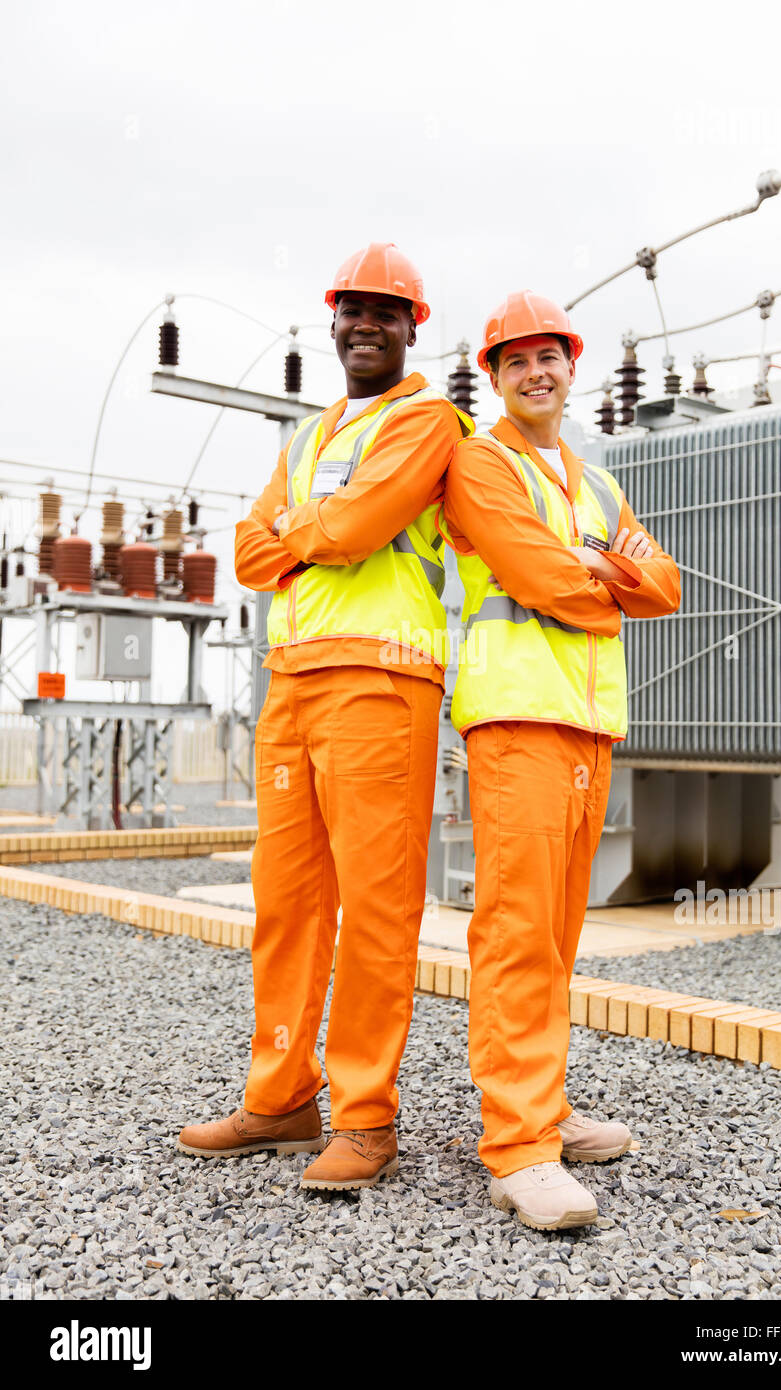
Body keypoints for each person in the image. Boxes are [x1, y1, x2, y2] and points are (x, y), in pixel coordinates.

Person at [178, 243, 473, 1190]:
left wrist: (307, 534)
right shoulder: (309, 438)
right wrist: (315, 533)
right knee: (287, 902)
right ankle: (280, 1099)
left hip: (382, 682)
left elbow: (354, 527)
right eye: (354, 308)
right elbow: (248, 552)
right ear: (334, 319)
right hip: (294, 683)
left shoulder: (430, 419)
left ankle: (365, 1119)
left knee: (377, 910)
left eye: (388, 310)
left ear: (412, 325)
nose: (367, 323)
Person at [440, 291, 681, 1230]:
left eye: (551, 357)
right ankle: (518, 1146)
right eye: (517, 360)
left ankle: (543, 1105)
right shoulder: (481, 461)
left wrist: (608, 576)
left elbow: (664, 586)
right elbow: (540, 577)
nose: (537, 372)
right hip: (515, 718)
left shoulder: (591, 481)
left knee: (558, 932)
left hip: (589, 725)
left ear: (570, 368)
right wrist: (604, 578)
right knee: (515, 929)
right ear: (495, 376)